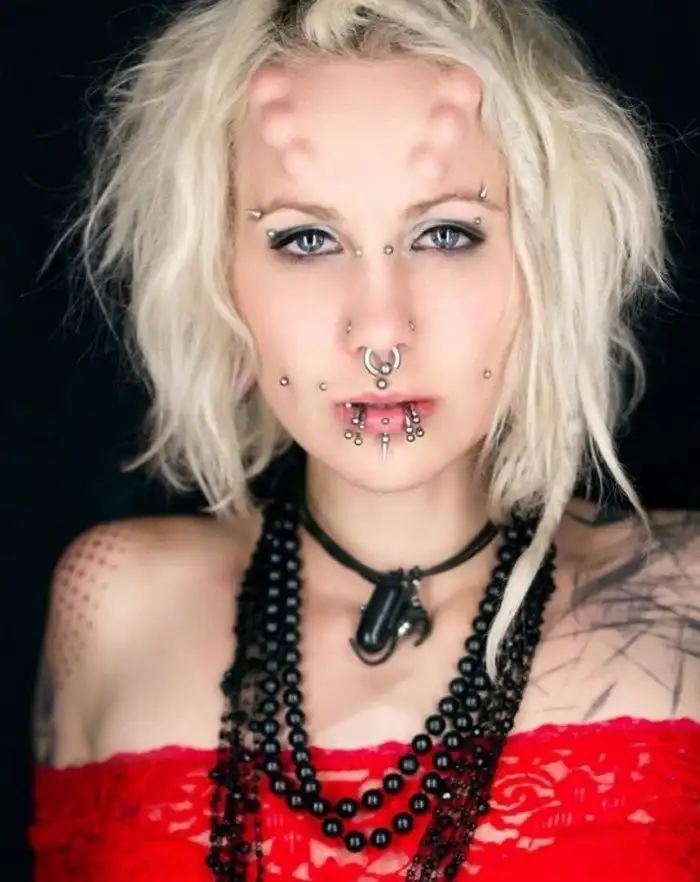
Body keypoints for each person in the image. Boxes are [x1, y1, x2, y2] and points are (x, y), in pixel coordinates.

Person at [29, 0, 700, 879]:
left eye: (446, 233)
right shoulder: (115, 606)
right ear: (219, 280)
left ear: (547, 262)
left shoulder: (685, 602)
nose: (380, 331)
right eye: (306, 239)